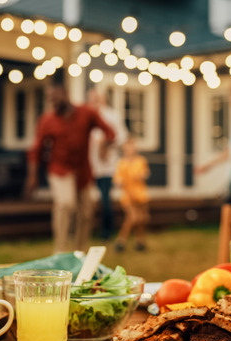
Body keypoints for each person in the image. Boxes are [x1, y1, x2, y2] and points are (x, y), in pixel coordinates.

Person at [25, 81, 116, 254]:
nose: (53, 102)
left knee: (87, 211)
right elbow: (36, 150)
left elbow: (110, 131)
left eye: (56, 97)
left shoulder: (87, 113)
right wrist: (32, 176)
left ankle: (79, 252)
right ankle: (59, 250)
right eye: (50, 99)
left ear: (65, 93)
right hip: (59, 170)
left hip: (83, 171)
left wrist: (105, 145)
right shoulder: (47, 120)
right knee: (66, 203)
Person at [87, 88, 128, 241]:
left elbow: (122, 136)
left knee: (105, 199)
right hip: (89, 165)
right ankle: (88, 229)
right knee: (87, 199)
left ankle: (107, 230)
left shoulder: (112, 115)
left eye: (96, 98)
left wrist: (106, 143)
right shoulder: (86, 115)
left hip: (107, 166)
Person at [113, 137, 149, 252]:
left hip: (140, 194)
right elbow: (117, 178)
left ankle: (140, 241)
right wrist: (119, 181)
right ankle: (120, 241)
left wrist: (141, 175)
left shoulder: (140, 161)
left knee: (141, 219)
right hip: (128, 195)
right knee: (132, 217)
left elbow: (145, 173)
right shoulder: (122, 163)